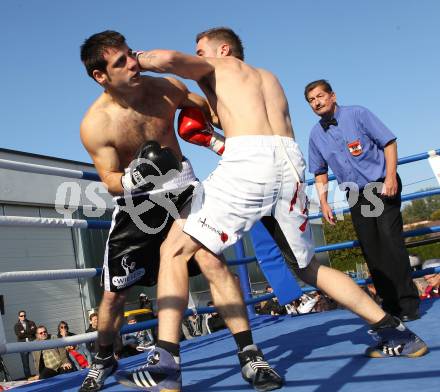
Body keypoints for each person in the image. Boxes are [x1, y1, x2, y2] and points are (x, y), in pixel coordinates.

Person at [115, 27, 429, 391]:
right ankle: (398, 333)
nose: (198, 55)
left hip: (251, 161)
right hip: (289, 166)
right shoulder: (269, 79)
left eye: (202, 50)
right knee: (308, 267)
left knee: (173, 247)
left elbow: (170, 61)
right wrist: (212, 128)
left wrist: (136, 59)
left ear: (224, 48)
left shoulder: (219, 67)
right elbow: (244, 123)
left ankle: (165, 364)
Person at [79, 30, 271, 392]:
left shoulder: (166, 87)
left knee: (213, 263)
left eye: (130, 54)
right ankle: (104, 357)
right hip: (138, 205)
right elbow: (109, 180)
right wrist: (136, 176)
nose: (133, 63)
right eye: (120, 62)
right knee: (113, 294)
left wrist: (214, 132)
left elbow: (210, 108)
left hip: (184, 189)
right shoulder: (96, 124)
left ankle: (250, 353)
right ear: (100, 76)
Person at [305, 79, 421, 322]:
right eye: (311, 100)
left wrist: (390, 177)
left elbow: (389, 143)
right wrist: (324, 202)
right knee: (372, 248)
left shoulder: (358, 114)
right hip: (356, 193)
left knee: (390, 241)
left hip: (380, 184)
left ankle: (408, 304)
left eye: (320, 96)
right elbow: (319, 171)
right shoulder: (316, 134)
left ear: (333, 96)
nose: (317, 102)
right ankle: (389, 306)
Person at [13, 310, 36, 379]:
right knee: (25, 364)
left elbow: (35, 331)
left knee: (36, 360)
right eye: (21, 316)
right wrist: (29, 332)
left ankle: (40, 375)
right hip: (23, 345)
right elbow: (19, 335)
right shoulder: (16, 325)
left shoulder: (31, 322)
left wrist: (24, 332)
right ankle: (28, 378)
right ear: (18, 317)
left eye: (24, 315)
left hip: (32, 344)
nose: (23, 317)